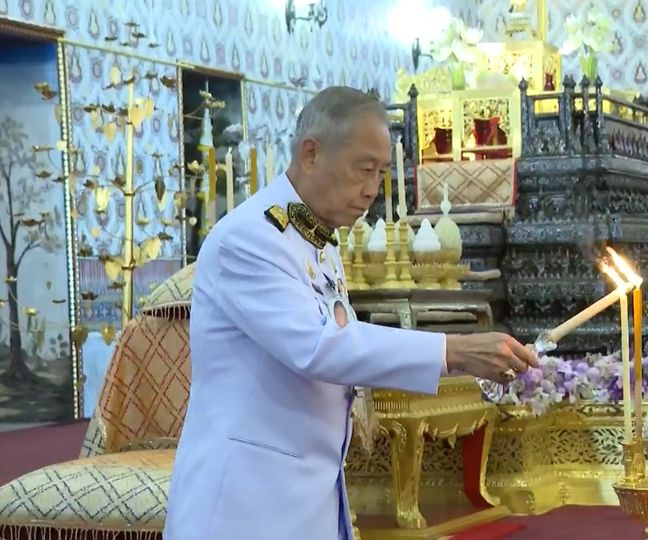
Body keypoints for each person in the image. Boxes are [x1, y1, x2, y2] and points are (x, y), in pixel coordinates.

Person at [163, 87, 537, 540]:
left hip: (305, 492)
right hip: (245, 501)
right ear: (311, 153)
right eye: (363, 170)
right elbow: (318, 344)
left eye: (380, 173)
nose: (371, 191)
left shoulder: (316, 239)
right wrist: (453, 350)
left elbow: (340, 334)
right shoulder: (249, 238)